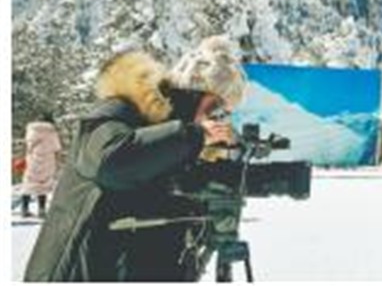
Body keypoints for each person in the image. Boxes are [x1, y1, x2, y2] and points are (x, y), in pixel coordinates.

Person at [24, 36, 247, 282]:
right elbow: (110, 164)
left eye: (225, 114)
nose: (219, 118)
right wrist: (193, 135)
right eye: (217, 109)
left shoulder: (180, 142)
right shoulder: (121, 111)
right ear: (194, 94)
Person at [20, 114, 63, 218]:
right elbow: (57, 147)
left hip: (33, 160)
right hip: (47, 160)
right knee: (43, 185)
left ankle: (24, 209)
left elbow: (28, 146)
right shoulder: (51, 131)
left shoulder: (31, 130)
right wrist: (58, 161)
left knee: (28, 184)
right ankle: (41, 210)